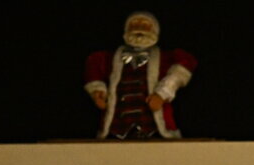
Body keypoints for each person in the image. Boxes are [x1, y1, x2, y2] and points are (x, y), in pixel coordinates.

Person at [84, 11, 197, 139]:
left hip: (151, 127)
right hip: (118, 127)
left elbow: (183, 67)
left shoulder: (165, 58)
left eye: (145, 25)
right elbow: (94, 67)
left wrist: (162, 93)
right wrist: (97, 91)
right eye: (134, 24)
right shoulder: (110, 58)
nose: (139, 28)